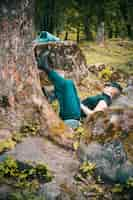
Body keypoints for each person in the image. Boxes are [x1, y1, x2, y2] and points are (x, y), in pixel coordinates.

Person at [36, 51, 122, 128]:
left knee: (68, 84)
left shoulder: (105, 100)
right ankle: (51, 95)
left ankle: (45, 67)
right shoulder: (103, 98)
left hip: (74, 117)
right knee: (70, 84)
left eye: (108, 85)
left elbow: (94, 116)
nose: (105, 85)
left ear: (113, 90)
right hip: (73, 113)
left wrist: (80, 104)